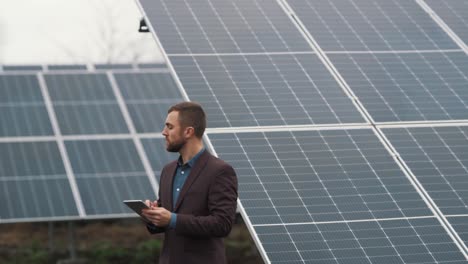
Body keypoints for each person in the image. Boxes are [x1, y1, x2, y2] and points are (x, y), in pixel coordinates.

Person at [141, 101, 238, 264]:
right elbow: (168, 223)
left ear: (188, 132)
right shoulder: (168, 171)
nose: (163, 132)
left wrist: (172, 219)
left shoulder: (220, 171)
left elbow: (223, 224)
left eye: (170, 127)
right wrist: (153, 217)